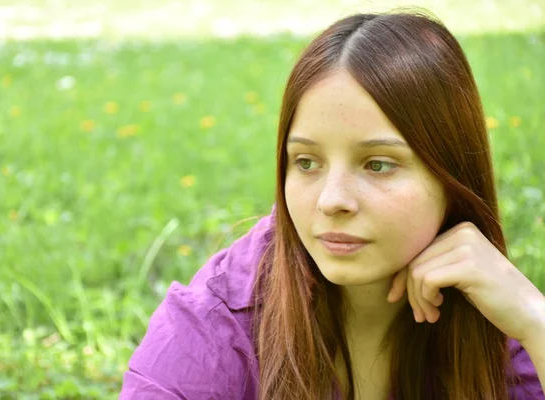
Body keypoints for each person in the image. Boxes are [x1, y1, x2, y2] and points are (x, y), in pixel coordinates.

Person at [119, 10, 545, 400]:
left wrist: (535, 321)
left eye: (378, 164)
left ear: (452, 178)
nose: (331, 200)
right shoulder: (217, 324)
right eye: (306, 162)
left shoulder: (494, 310)